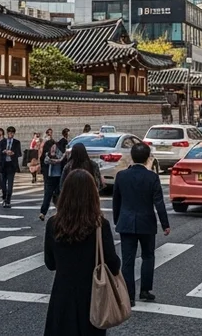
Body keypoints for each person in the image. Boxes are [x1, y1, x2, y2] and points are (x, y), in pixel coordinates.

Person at [43, 168, 120, 336]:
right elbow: (113, 264)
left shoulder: (53, 224)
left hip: (62, 296)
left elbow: (50, 264)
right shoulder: (100, 225)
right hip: (92, 297)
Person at [113, 142, 170, 305]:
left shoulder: (121, 176)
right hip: (146, 222)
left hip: (126, 222)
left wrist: (117, 219)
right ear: (147, 158)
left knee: (128, 260)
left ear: (132, 156)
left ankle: (129, 296)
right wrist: (165, 224)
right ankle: (145, 290)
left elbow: (116, 201)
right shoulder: (152, 177)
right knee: (148, 256)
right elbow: (159, 203)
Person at [38, 137, 66, 221]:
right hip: (50, 177)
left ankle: (60, 211)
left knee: (59, 194)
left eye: (54, 146)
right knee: (47, 194)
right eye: (51, 147)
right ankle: (43, 212)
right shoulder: (46, 156)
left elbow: (63, 161)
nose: (53, 148)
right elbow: (45, 163)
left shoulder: (60, 153)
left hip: (59, 176)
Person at [0, 127, 21, 209]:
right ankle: (4, 197)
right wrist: (4, 151)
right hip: (3, 165)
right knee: (3, 184)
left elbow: (19, 153)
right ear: (7, 133)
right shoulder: (3, 141)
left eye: (12, 133)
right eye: (9, 133)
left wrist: (13, 153)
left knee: (10, 184)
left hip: (11, 165)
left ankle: (8, 201)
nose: (11, 134)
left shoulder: (17, 142)